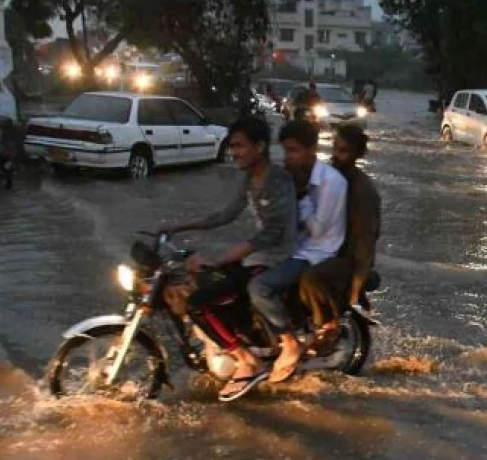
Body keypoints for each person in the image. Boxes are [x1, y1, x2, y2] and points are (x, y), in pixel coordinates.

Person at [163, 116, 298, 402]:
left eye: (239, 146)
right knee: (198, 281)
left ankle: (247, 360)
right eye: (232, 146)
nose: (234, 152)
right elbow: (226, 214)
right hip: (257, 254)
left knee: (199, 302)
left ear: (259, 147)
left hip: (277, 256)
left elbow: (272, 233)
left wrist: (224, 258)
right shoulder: (249, 177)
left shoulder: (278, 180)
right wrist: (180, 226)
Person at [255, 119, 348, 383]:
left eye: (293, 151)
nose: (288, 157)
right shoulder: (291, 177)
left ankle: (290, 343)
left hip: (316, 253)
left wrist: (301, 197)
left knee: (260, 287)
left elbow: (318, 230)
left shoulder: (332, 182)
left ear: (312, 150)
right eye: (285, 151)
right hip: (291, 247)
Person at [296, 125, 382, 352]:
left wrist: (356, 285)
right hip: (323, 247)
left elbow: (366, 240)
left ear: (358, 155)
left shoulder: (363, 191)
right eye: (335, 149)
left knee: (309, 278)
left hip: (349, 257)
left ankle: (327, 326)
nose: (336, 156)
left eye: (343, 151)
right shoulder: (328, 178)